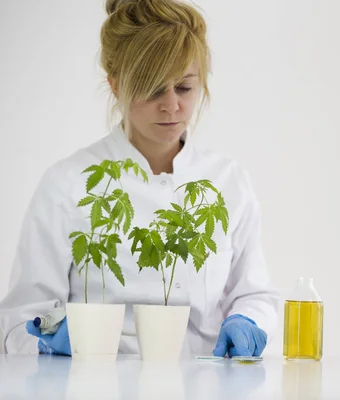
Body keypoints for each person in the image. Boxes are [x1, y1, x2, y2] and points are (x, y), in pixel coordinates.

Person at [0, 0, 279, 357]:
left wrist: (248, 322)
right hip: (94, 385)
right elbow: (22, 315)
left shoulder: (227, 181)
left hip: (204, 384)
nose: (171, 106)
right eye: (153, 89)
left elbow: (253, 292)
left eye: (185, 88)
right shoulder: (68, 183)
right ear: (115, 86)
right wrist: (47, 341)